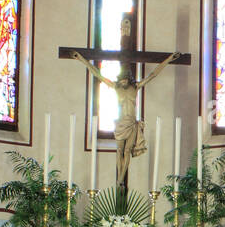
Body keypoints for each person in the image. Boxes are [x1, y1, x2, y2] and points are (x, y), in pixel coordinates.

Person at [68, 49, 180, 189]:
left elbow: (153, 74)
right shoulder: (115, 88)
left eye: (126, 78)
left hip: (132, 123)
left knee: (127, 151)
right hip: (121, 123)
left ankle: (120, 178)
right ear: (119, 79)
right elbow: (97, 74)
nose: (124, 81)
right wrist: (81, 59)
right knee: (119, 151)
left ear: (129, 78)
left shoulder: (136, 87)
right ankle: (119, 179)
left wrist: (169, 59)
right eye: (122, 79)